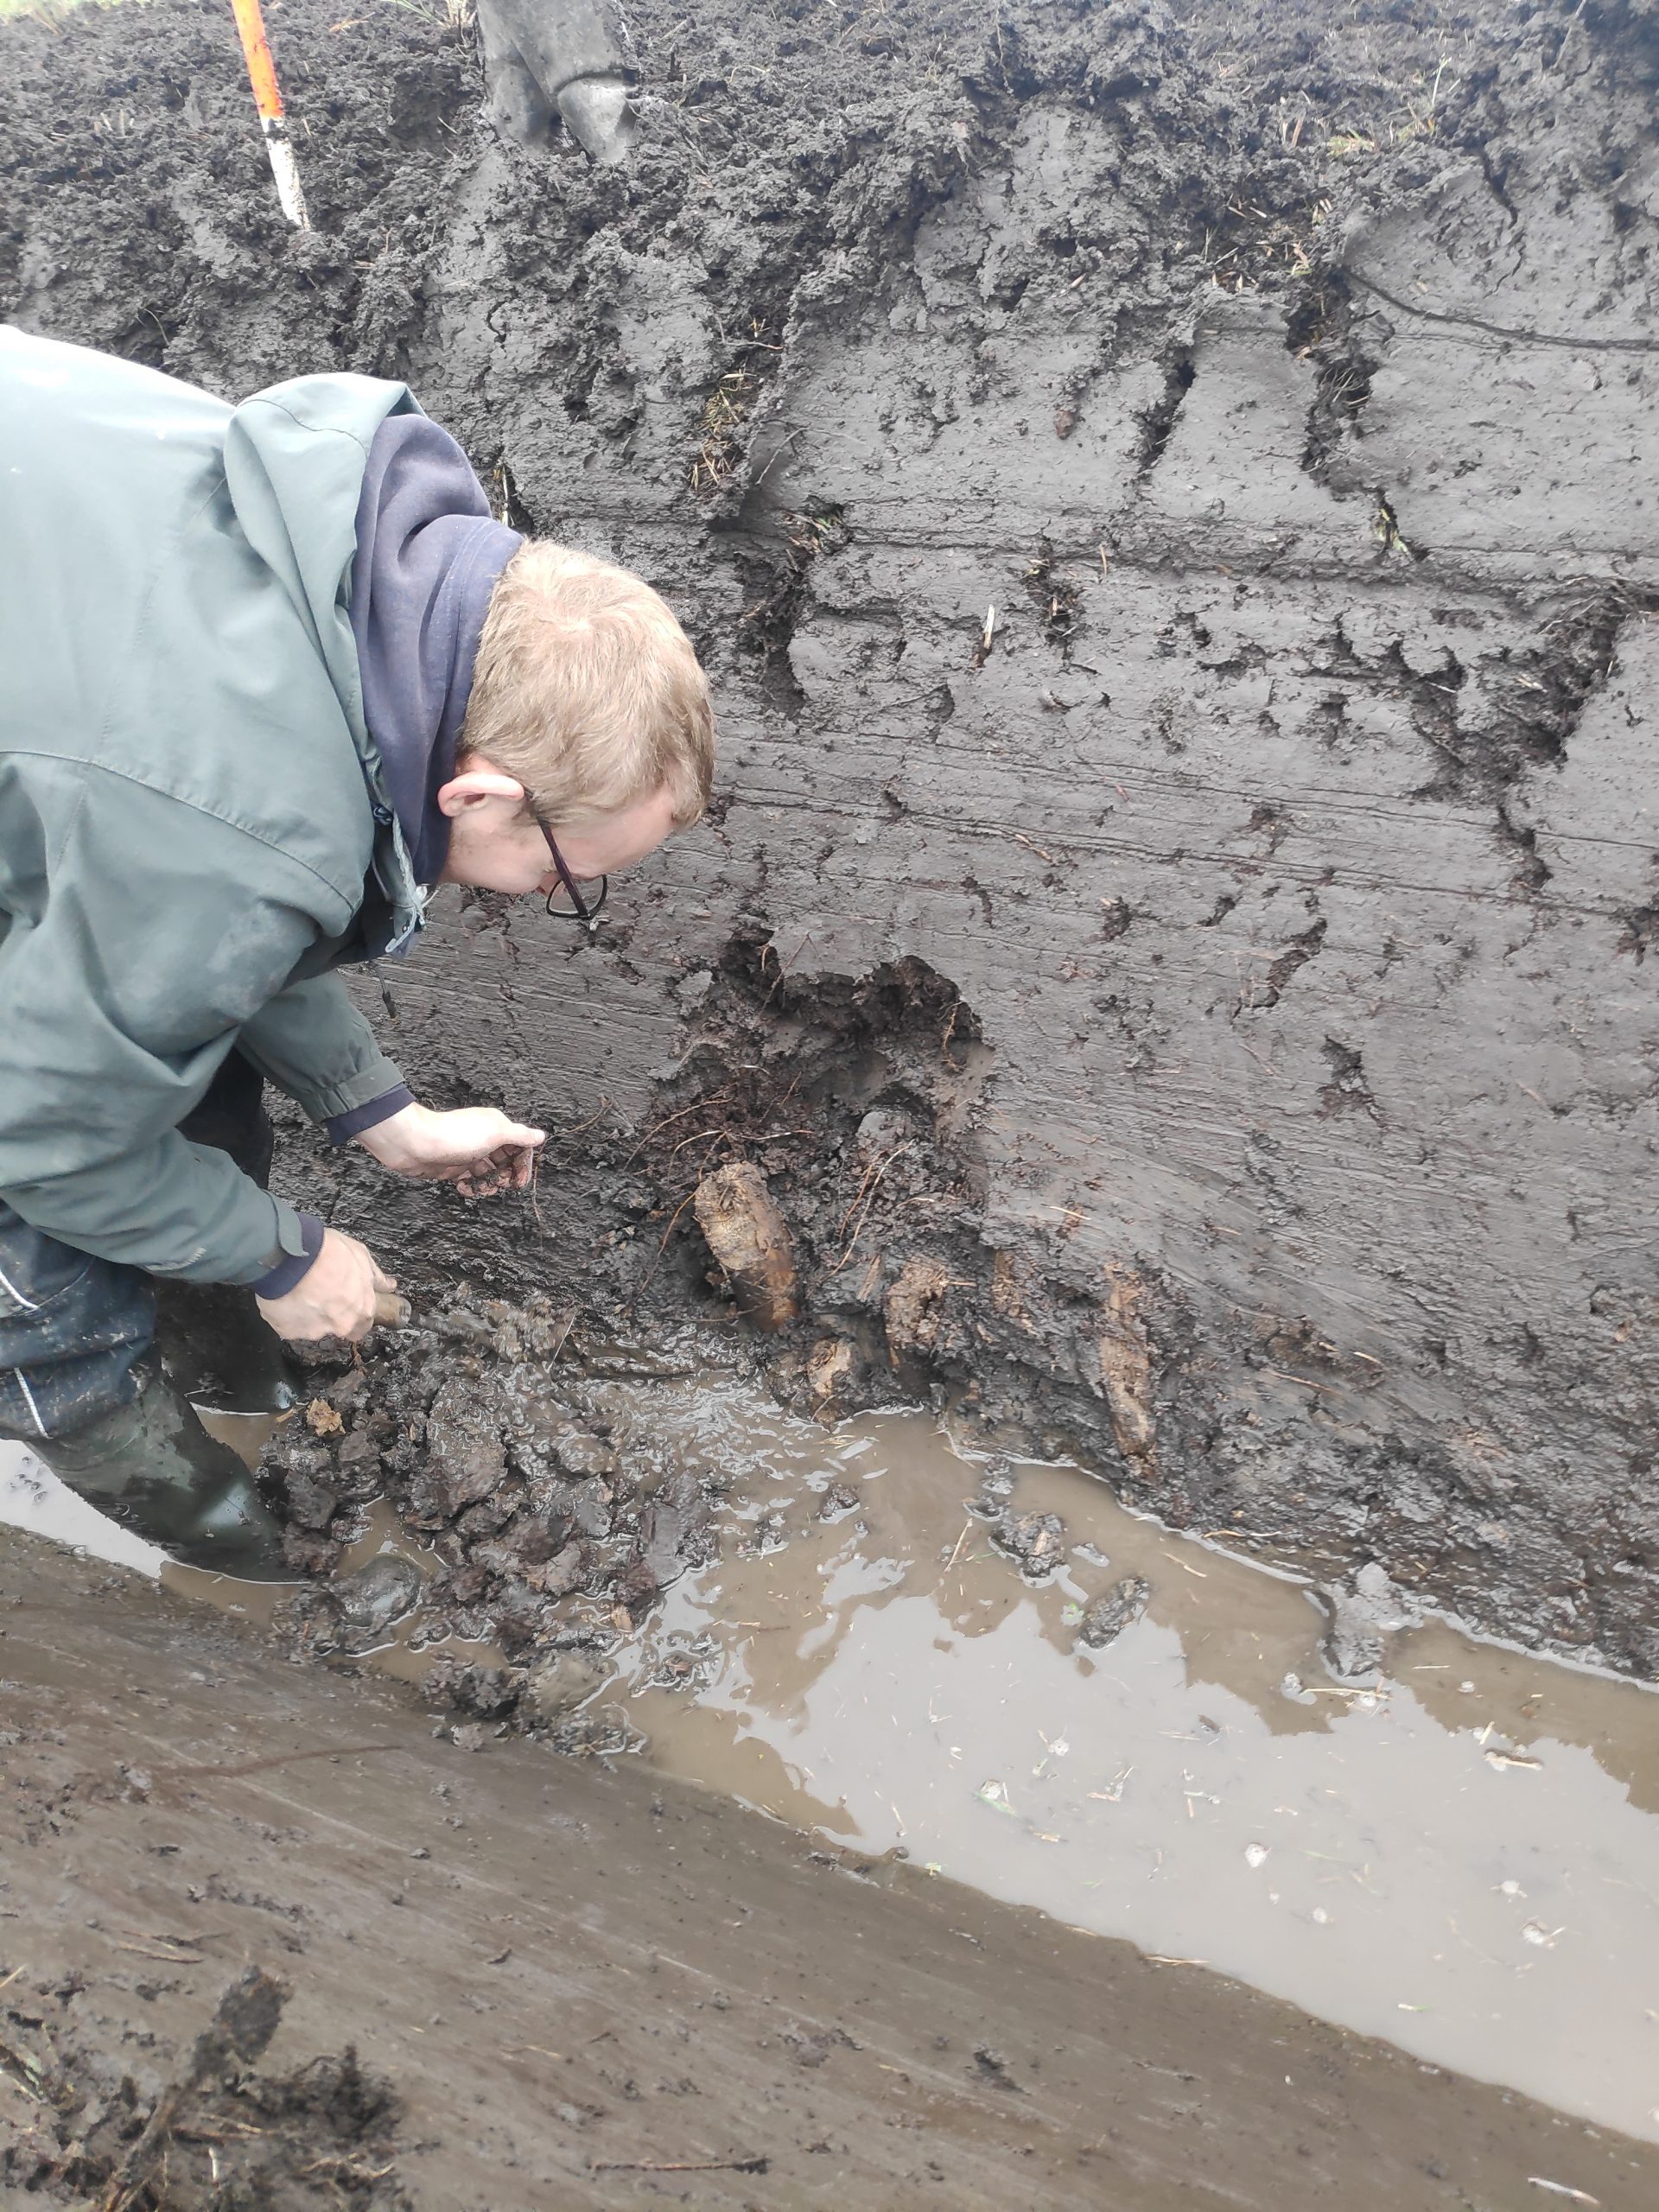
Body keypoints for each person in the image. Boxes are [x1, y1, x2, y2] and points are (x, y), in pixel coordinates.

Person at [0, 326, 714, 1580]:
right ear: (476, 796)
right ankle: (272, 1581)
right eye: (567, 874)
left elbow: (211, 907)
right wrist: (284, 1251)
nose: (555, 898)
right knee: (38, 1283)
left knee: (177, 1084)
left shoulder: (345, 571)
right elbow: (41, 1130)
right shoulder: (232, 816)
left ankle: (232, 1381)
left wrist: (374, 1110)